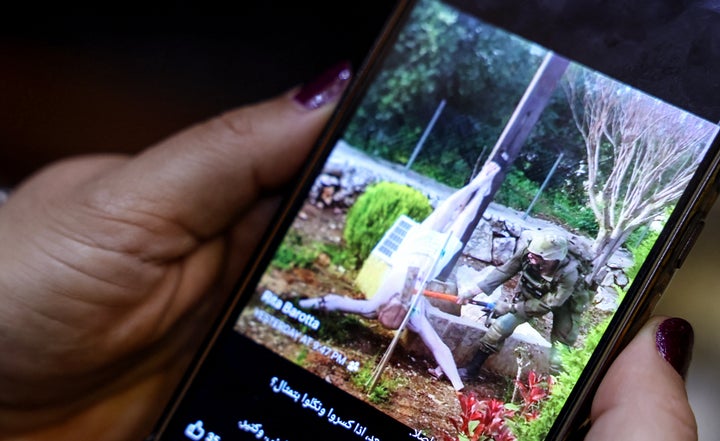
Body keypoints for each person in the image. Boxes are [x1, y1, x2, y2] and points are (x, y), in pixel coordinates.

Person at [0, 63, 697, 440]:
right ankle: (474, 187)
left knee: (442, 240)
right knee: (441, 225)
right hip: (422, 253)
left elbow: (416, 311)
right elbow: (428, 269)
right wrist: (314, 300)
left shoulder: (406, 298)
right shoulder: (401, 289)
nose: (389, 319)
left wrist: (328, 301)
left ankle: (476, 191)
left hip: (424, 261)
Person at [299, 159, 501, 392]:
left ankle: (478, 182)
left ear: (384, 307)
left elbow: (336, 302)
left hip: (413, 250)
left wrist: (306, 304)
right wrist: (458, 386)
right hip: (433, 258)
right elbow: (440, 348)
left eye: (398, 301)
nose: (400, 300)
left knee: (447, 209)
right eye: (401, 304)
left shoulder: (374, 306)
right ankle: (482, 190)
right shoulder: (415, 317)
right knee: (463, 220)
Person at [454, 229, 587, 379]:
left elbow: (549, 304)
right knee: (500, 327)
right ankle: (472, 370)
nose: (530, 255)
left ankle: (555, 386)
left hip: (566, 304)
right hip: (532, 294)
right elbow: (504, 271)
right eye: (531, 252)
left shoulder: (569, 274)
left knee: (561, 348)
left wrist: (510, 307)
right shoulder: (528, 252)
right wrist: (472, 291)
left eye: (536, 255)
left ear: (550, 259)